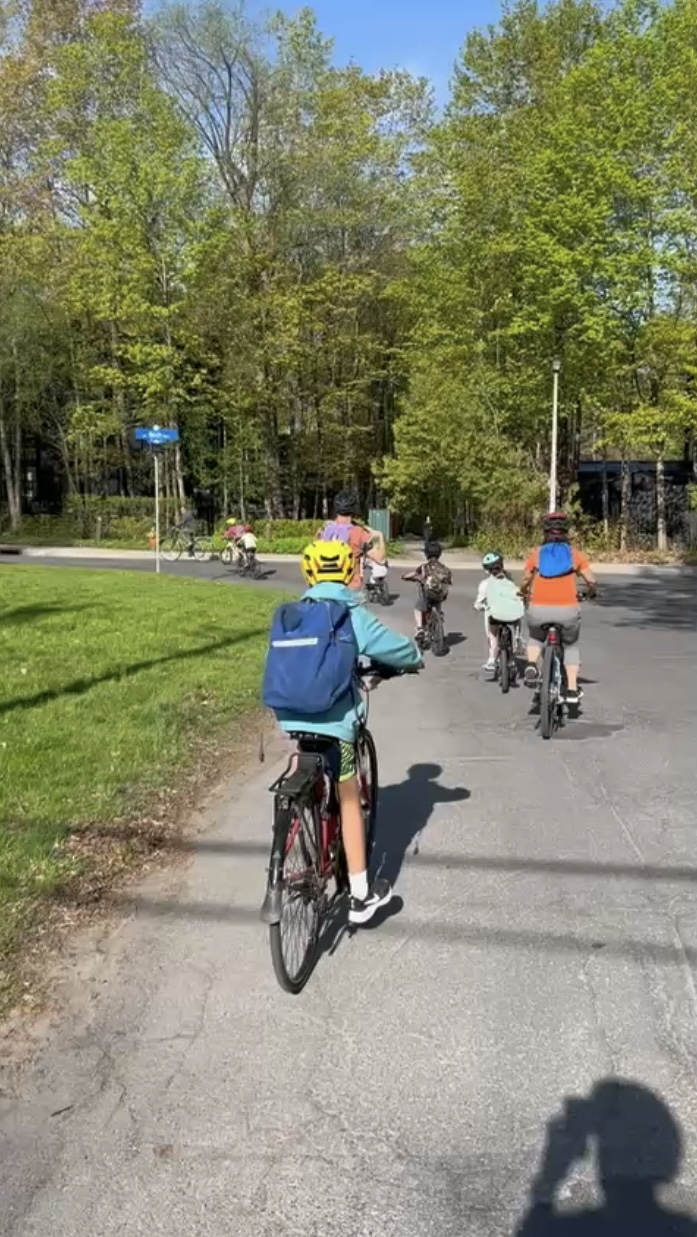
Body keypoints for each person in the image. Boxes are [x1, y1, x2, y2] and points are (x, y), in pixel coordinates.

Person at [270, 540, 423, 925]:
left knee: (300, 764)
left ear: (308, 573)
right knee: (349, 793)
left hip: (291, 715)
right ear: (350, 571)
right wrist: (414, 658)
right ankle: (360, 896)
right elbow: (399, 651)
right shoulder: (350, 614)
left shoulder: (293, 614)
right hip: (336, 726)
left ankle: (283, 844)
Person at [520, 512, 597, 708]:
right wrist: (591, 591)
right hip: (567, 610)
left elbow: (526, 579)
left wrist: (523, 591)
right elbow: (591, 580)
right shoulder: (574, 554)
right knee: (570, 646)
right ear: (566, 532)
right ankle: (571, 690)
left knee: (536, 637)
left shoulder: (537, 553)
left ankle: (531, 664)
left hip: (539, 609)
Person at [317, 490, 386, 589]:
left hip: (324, 584)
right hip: (349, 586)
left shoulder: (325, 530)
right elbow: (381, 559)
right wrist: (380, 536)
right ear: (354, 510)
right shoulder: (359, 532)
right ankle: (374, 582)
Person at [474, 552, 524, 672]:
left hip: (495, 617)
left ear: (487, 570)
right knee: (518, 615)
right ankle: (517, 638)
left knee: (493, 634)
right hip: (512, 616)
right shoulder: (511, 581)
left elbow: (478, 603)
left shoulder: (485, 584)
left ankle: (492, 658)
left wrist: (479, 606)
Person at [402, 540, 452, 645]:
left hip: (428, 594)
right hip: (442, 595)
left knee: (418, 607)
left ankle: (420, 629)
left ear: (426, 554)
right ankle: (438, 616)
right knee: (438, 599)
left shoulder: (424, 567)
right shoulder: (445, 569)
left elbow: (414, 574)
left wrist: (405, 577)